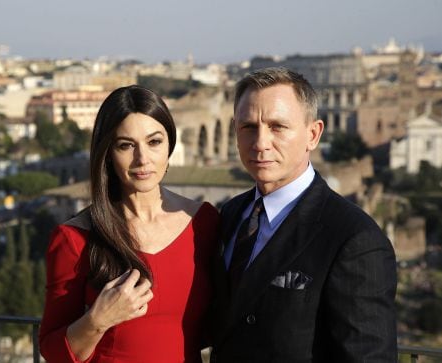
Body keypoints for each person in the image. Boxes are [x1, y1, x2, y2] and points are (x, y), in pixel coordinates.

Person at [210, 67, 397, 362]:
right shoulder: (232, 215)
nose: (260, 143)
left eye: (277, 127)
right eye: (248, 127)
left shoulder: (354, 239)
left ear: (313, 134)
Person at [39, 85, 219, 363]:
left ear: (170, 144)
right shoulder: (75, 239)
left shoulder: (204, 222)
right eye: (126, 145)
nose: (142, 159)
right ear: (108, 153)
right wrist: (99, 319)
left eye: (154, 142)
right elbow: (53, 351)